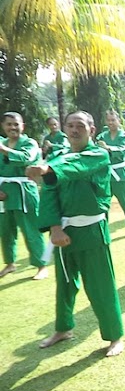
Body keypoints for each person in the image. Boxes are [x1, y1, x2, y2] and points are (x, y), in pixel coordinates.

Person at [29, 110, 124, 357]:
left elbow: (76, 166)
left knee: (100, 285)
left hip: (91, 230)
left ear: (91, 130)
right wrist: (55, 227)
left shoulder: (98, 155)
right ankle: (63, 328)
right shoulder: (59, 156)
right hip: (64, 232)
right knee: (65, 284)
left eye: (80, 125)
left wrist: (47, 168)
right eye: (70, 125)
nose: (74, 130)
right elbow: (50, 194)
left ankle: (115, 336)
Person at [0, 112, 48, 280]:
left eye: (16, 124)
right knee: (5, 231)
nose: (13, 127)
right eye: (9, 124)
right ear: (3, 126)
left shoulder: (29, 143)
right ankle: (10, 263)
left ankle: (41, 265)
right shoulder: (1, 142)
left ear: (22, 126)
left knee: (31, 230)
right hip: (4, 193)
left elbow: (26, 158)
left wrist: (4, 150)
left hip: (24, 192)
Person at [96, 110, 125, 238]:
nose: (111, 123)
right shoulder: (102, 136)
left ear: (119, 121)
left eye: (113, 120)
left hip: (120, 175)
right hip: (105, 175)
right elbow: (97, 150)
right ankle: (103, 228)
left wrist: (108, 148)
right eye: (108, 120)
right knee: (103, 203)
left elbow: (122, 151)